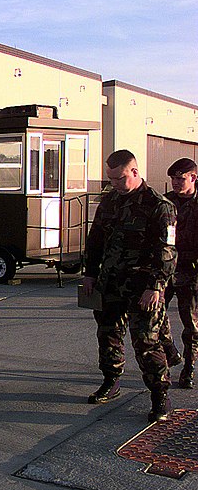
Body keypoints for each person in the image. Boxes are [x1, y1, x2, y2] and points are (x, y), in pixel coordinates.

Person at [82, 150, 177, 422]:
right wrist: (89, 273)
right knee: (108, 333)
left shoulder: (158, 205)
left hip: (142, 287)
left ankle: (160, 395)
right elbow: (95, 238)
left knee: (146, 342)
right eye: (110, 179)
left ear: (135, 172)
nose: (114, 184)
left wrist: (156, 286)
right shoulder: (109, 201)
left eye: (119, 178)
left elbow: (167, 251)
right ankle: (111, 381)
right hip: (110, 282)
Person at [162, 158, 198, 388]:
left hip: (191, 270)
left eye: (181, 178)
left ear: (193, 178)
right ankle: (170, 355)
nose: (175, 182)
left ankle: (189, 366)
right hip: (166, 269)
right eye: (173, 178)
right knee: (154, 317)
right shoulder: (166, 202)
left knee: (191, 324)